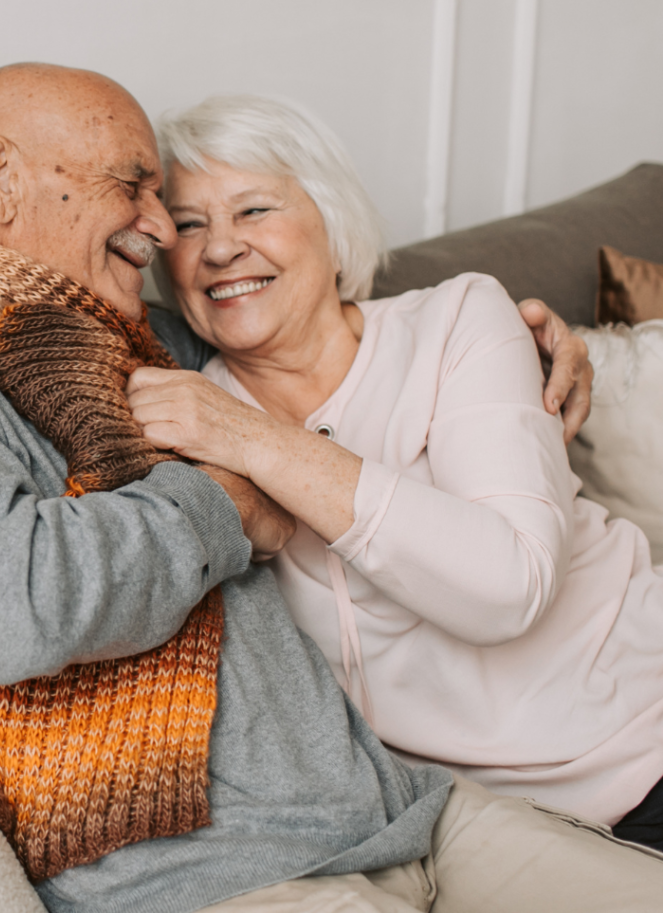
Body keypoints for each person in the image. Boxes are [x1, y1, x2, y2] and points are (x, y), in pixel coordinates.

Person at [0, 63, 663, 913]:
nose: (167, 235)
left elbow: (319, 315)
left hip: (413, 812)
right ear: (2, 178)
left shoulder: (157, 344)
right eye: (141, 191)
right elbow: (16, 602)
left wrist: (543, 345)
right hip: (234, 872)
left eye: (166, 199)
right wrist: (232, 508)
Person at [126, 92, 663, 852]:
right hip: (483, 831)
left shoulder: (458, 321)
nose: (219, 249)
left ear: (331, 222)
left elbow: (512, 586)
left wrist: (257, 441)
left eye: (253, 211)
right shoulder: (184, 409)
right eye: (187, 224)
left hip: (645, 729)